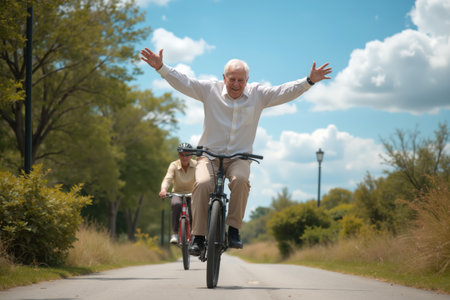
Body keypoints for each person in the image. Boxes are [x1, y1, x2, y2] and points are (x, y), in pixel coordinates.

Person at [142, 48, 332, 255]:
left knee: (241, 181)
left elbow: (283, 91)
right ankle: (198, 236)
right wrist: (161, 67)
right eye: (232, 79)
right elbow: (185, 82)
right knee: (203, 184)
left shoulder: (258, 94)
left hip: (240, 157)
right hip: (209, 156)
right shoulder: (209, 90)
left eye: (241, 81)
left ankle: (233, 230)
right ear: (224, 77)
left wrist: (309, 81)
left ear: (247, 80)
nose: (236, 84)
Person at [159, 143, 197, 244]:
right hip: (177, 193)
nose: (184, 157)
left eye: (187, 155)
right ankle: (175, 233)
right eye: (182, 155)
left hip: (192, 193)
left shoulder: (197, 165)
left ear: (191, 155)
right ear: (178, 155)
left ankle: (194, 234)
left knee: (194, 208)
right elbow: (168, 178)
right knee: (176, 204)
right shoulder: (174, 165)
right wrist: (163, 189)